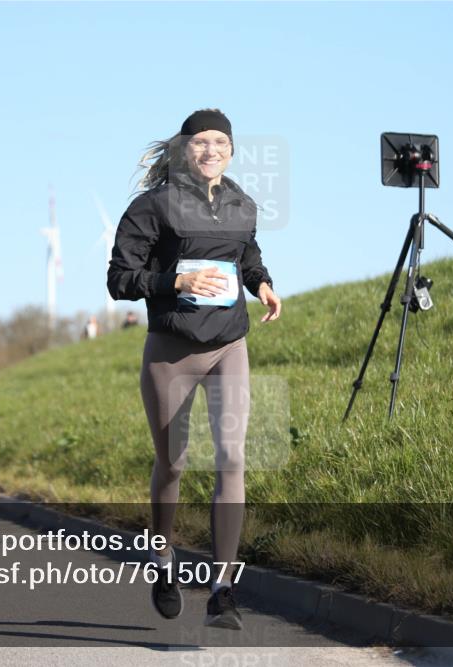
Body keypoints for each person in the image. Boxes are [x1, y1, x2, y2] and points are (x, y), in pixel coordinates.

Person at [107, 109, 281, 630]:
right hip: (172, 348)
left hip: (230, 342)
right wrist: (174, 284)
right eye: (201, 142)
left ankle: (223, 589)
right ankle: (163, 562)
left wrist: (263, 283)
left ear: (231, 150)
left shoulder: (241, 203)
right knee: (174, 463)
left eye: (221, 143)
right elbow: (120, 278)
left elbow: (245, 254)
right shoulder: (152, 206)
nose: (211, 150)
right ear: (185, 147)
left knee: (232, 459)